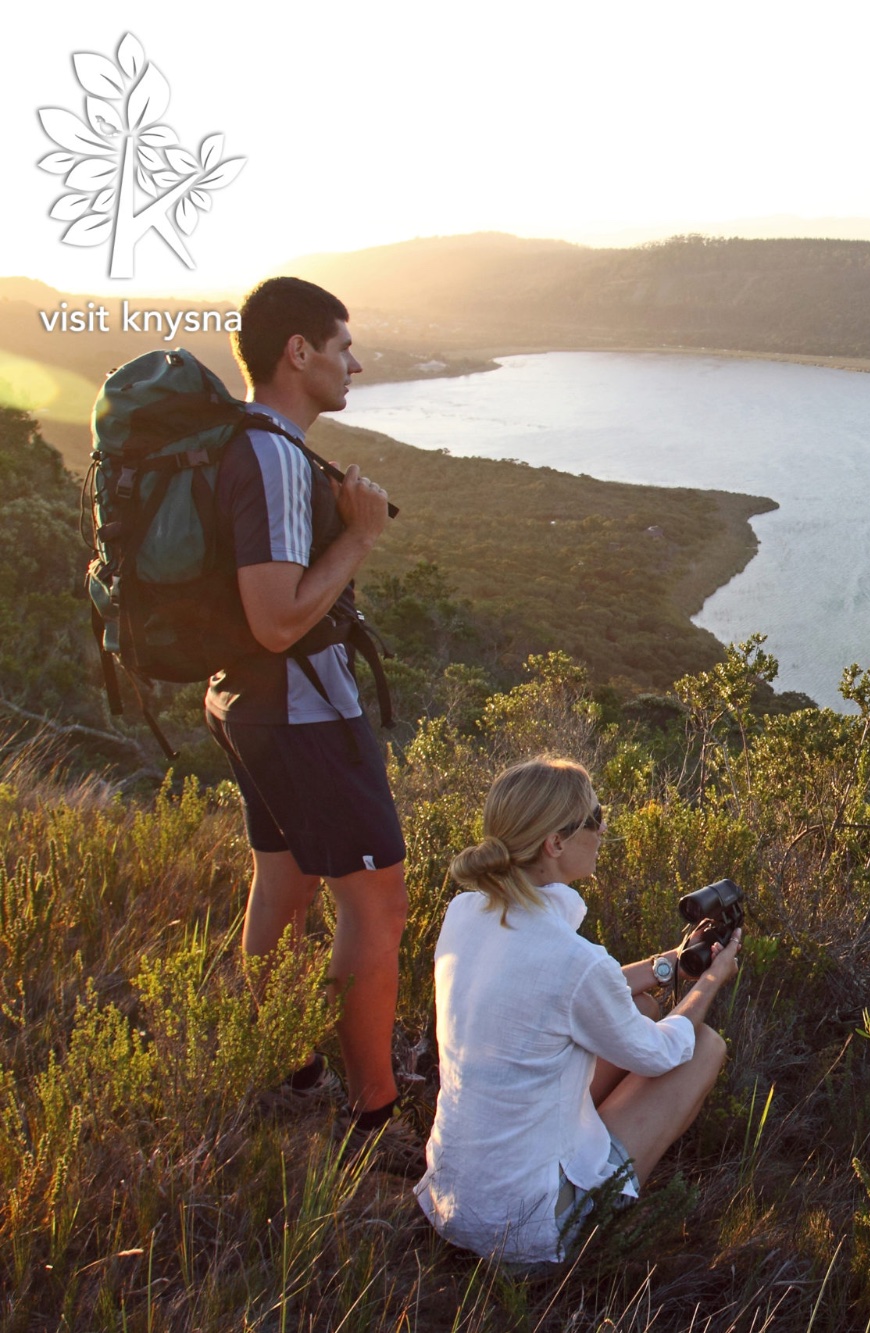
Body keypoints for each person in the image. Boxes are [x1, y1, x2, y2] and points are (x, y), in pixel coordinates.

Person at [208, 277, 407, 1136]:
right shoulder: (274, 453)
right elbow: (278, 616)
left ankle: (285, 1070)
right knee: (377, 899)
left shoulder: (248, 444)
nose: (353, 362)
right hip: (297, 707)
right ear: (298, 352)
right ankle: (375, 1113)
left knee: (284, 878)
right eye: (340, 346)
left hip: (247, 700)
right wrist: (359, 536)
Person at [417, 757, 735, 1264]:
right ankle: (595, 1225)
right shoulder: (571, 960)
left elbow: (577, 985)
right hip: (525, 1235)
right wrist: (711, 981)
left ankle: (582, 1144)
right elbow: (660, 1054)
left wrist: (671, 964)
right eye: (595, 816)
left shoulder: (465, 913)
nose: (603, 828)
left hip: (451, 1204)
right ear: (555, 843)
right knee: (701, 1047)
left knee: (645, 1004)